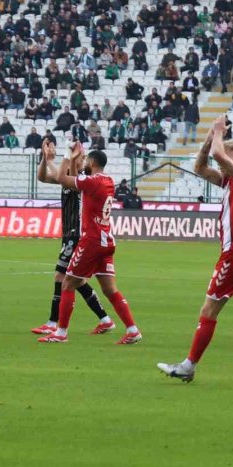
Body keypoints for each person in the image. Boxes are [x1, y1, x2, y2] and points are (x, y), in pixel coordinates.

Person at [157, 117, 233, 387]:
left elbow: (217, 154)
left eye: (232, 158)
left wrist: (216, 134)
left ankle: (188, 366)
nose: (227, 162)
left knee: (209, 309)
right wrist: (206, 142)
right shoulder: (230, 182)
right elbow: (201, 166)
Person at [35, 142, 142, 345]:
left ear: (91, 162)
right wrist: (73, 160)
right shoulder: (107, 181)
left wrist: (68, 153)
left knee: (67, 283)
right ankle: (132, 329)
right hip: (107, 240)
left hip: (91, 240)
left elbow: (62, 178)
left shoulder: (92, 182)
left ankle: (61, 332)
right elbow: (72, 179)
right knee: (110, 289)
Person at [31, 140, 116, 337]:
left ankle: (53, 323)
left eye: (84, 158)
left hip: (77, 234)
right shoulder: (69, 177)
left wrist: (62, 158)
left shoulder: (83, 180)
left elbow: (61, 177)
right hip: (69, 232)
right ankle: (105, 319)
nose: (82, 160)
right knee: (76, 280)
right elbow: (42, 177)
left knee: (61, 277)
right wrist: (46, 159)